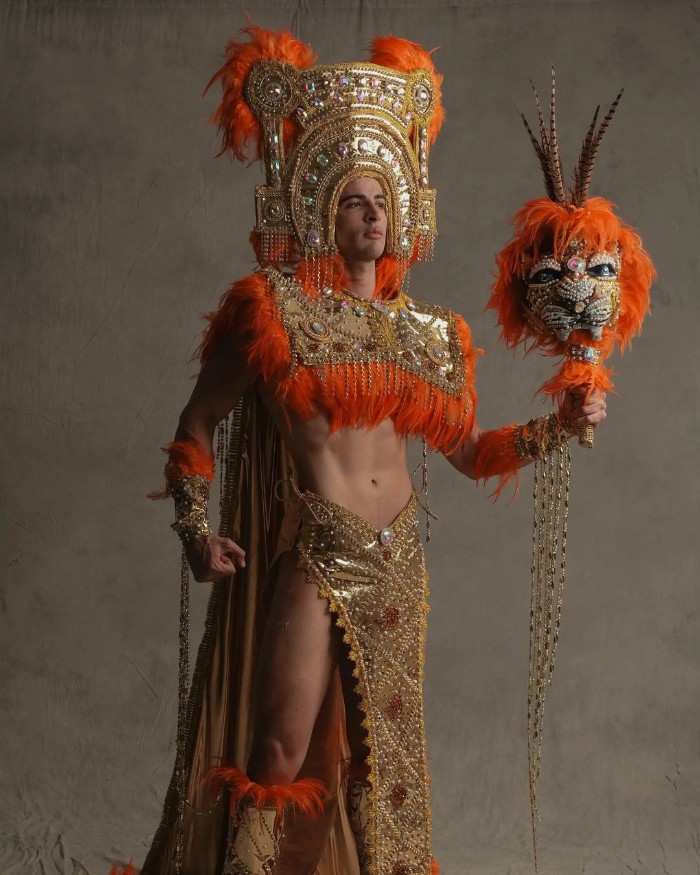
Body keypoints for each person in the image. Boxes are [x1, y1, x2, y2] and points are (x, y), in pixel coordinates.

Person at [130, 26, 606, 875]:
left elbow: (470, 452)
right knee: (278, 747)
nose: (372, 213)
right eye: (353, 199)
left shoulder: (428, 334)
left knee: (386, 774)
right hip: (320, 552)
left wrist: (558, 426)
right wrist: (195, 532)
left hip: (398, 564)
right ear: (322, 210)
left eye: (382, 198)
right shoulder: (273, 313)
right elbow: (197, 421)